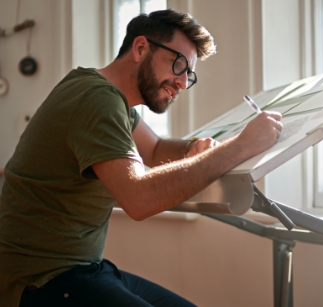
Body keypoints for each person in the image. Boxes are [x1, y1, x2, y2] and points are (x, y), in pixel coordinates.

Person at [0, 9, 282, 307]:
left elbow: (156, 149)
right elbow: (140, 198)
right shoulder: (97, 100)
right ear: (140, 48)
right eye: (178, 64)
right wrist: (240, 146)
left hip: (81, 268)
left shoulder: (102, 93)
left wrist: (191, 149)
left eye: (189, 73)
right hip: (39, 280)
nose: (183, 82)